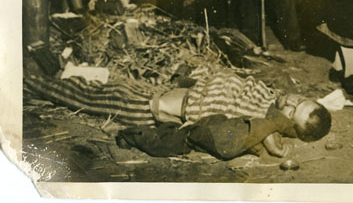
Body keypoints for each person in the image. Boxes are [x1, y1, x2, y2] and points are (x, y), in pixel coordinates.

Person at [24, 69, 331, 160]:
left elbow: (225, 118)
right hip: (160, 91)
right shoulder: (267, 96)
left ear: (289, 125)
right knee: (105, 83)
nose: (291, 100)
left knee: (85, 97)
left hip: (149, 108)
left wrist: (271, 132)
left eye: (293, 110)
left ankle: (25, 81)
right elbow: (230, 82)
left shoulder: (260, 119)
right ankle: (45, 74)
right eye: (301, 99)